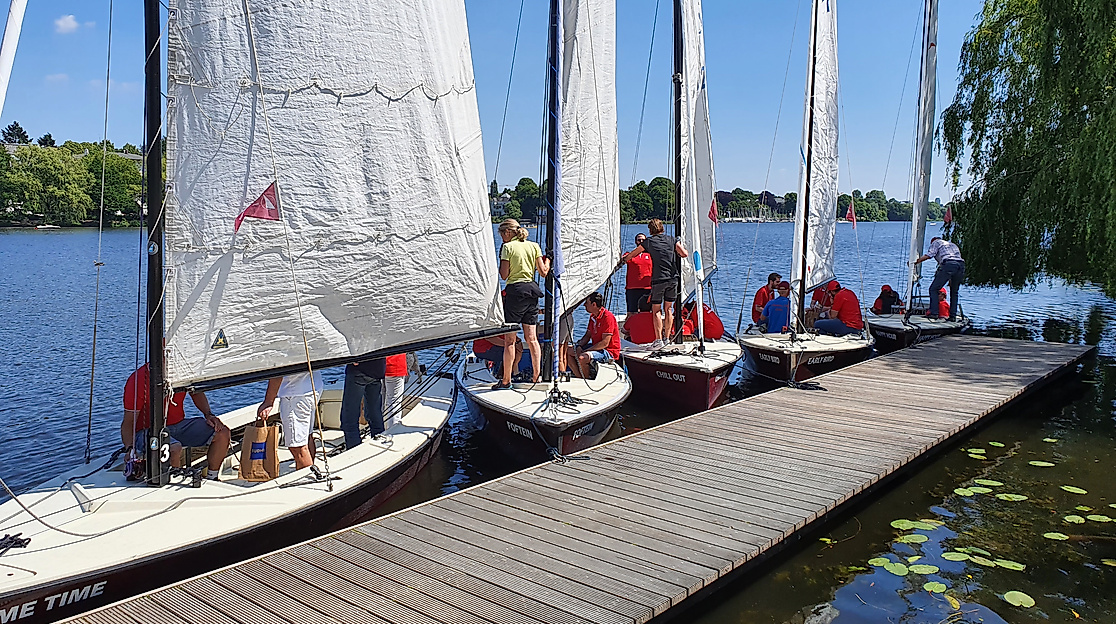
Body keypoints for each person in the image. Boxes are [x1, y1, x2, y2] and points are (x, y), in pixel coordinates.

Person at [122, 363, 230, 479]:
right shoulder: (138, 380)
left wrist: (208, 414)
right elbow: (128, 422)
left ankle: (212, 477)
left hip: (179, 425)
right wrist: (130, 449)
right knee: (174, 448)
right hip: (147, 431)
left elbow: (196, 392)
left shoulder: (182, 372)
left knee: (222, 433)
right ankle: (173, 484)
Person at [496, 219, 550, 389]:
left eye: (501, 235)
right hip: (532, 292)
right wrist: (547, 260)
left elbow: (504, 275)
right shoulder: (534, 246)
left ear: (507, 233)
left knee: (510, 341)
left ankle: (506, 380)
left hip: (515, 293)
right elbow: (543, 272)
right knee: (532, 338)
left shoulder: (507, 248)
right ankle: (536, 376)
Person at [618, 218, 688, 349]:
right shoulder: (672, 240)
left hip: (658, 280)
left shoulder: (649, 242)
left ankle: (658, 340)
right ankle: (667, 338)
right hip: (673, 279)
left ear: (650, 230)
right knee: (669, 309)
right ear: (662, 228)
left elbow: (633, 254)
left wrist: (623, 259)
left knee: (656, 309)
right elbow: (684, 254)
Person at [260, 369, 323, 470]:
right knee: (306, 437)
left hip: (294, 393)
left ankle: (305, 479)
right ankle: (312, 470)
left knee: (298, 447)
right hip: (312, 386)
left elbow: (278, 366)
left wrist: (269, 400)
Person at [567, 292, 621, 379]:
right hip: (595, 347)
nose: (584, 305)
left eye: (587, 303)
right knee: (567, 351)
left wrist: (587, 350)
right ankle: (579, 376)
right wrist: (579, 346)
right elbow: (587, 336)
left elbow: (605, 343)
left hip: (608, 351)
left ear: (594, 304)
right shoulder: (593, 317)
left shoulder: (608, 317)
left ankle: (586, 379)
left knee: (582, 358)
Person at [913, 236, 965, 321]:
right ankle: (952, 316)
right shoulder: (952, 245)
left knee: (933, 289)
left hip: (948, 264)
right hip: (960, 266)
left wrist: (915, 262)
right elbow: (956, 259)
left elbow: (930, 255)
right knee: (954, 292)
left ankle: (934, 313)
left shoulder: (936, 243)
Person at [339, 358, 385, 451]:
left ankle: (354, 452)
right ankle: (380, 446)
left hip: (359, 370)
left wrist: (353, 358)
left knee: (349, 419)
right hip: (378, 368)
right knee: (375, 413)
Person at [622, 233, 653, 314]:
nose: (641, 241)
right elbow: (624, 259)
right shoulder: (629, 255)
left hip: (648, 288)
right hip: (632, 288)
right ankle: (630, 326)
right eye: (639, 240)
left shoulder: (651, 255)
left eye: (643, 240)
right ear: (636, 241)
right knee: (631, 312)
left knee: (649, 312)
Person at [383, 353, 408, 428]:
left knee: (379, 401)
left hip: (379, 367)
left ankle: (377, 429)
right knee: (394, 402)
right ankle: (393, 429)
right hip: (395, 367)